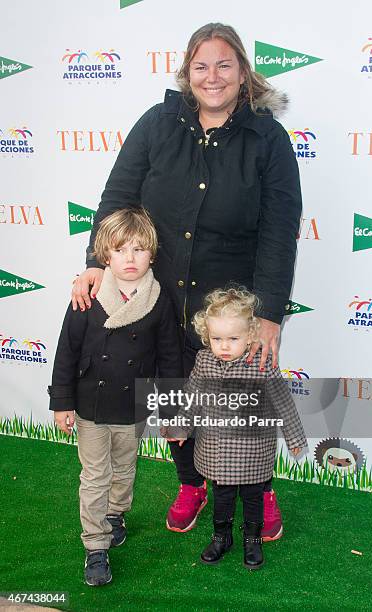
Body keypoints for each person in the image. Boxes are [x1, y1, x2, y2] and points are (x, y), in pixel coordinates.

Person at [71, 22, 302, 540]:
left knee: (242, 404)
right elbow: (118, 198)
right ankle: (191, 482)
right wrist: (95, 258)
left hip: (231, 312)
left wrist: (267, 315)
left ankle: (261, 489)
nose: (212, 76)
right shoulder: (156, 124)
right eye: (201, 66)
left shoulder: (268, 139)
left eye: (224, 65)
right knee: (172, 397)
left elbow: (280, 232)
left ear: (243, 72)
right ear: (186, 72)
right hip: (159, 299)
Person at [48, 208, 182, 586]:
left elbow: (170, 360)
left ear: (151, 255)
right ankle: (95, 547)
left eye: (139, 250)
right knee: (94, 476)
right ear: (105, 255)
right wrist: (62, 401)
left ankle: (116, 514)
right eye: (121, 250)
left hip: (132, 407)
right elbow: (67, 351)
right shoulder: (88, 295)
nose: (129, 258)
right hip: (91, 404)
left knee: (124, 469)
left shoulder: (159, 300)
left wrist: (172, 413)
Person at [165, 287, 307, 569]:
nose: (225, 346)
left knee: (253, 497)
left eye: (233, 338)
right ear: (207, 336)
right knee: (223, 496)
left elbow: (282, 401)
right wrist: (181, 427)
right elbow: (193, 397)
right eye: (217, 339)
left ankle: (252, 539)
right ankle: (222, 536)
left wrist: (294, 437)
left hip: (253, 449)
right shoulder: (204, 361)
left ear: (251, 335)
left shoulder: (262, 363)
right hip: (215, 450)